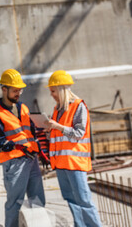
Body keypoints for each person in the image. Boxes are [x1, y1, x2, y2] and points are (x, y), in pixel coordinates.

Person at [0, 69, 49, 227]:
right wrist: (19, 146)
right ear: (4, 89)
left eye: (20, 89)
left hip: (32, 160)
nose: (18, 93)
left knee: (38, 199)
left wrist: (42, 153)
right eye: (15, 90)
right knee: (15, 202)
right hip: (14, 163)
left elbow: (31, 134)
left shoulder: (23, 108)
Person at [45, 70, 102, 227]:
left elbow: (79, 133)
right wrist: (50, 131)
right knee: (70, 199)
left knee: (84, 200)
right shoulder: (57, 110)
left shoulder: (79, 106)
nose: (51, 95)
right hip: (61, 163)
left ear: (62, 89)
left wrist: (58, 126)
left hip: (75, 162)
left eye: (53, 91)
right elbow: (58, 138)